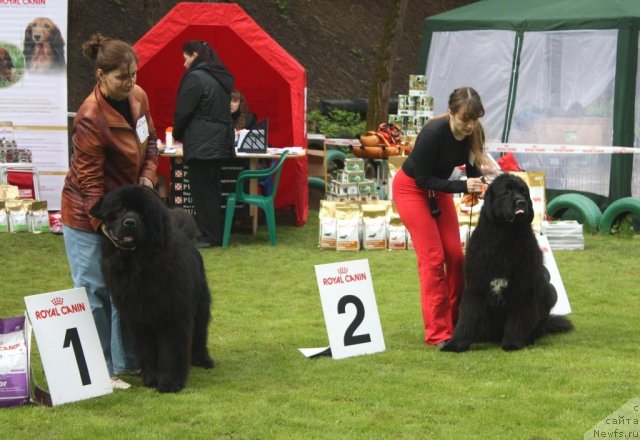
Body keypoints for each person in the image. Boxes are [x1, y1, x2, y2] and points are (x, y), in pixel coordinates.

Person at [61, 33, 158, 389]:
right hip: (88, 213)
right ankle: (100, 370)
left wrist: (147, 180)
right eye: (122, 76)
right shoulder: (90, 117)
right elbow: (89, 184)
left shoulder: (139, 98)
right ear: (101, 75)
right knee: (95, 291)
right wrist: (105, 224)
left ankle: (127, 362)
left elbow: (152, 144)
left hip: (127, 207)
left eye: (133, 73)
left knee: (128, 288)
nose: (130, 82)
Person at [392, 86, 489, 349]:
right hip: (412, 189)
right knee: (433, 260)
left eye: (474, 119)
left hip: (439, 190)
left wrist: (480, 183)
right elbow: (422, 179)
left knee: (456, 257)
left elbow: (471, 167)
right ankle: (437, 333)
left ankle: (458, 324)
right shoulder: (433, 134)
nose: (470, 125)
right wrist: (462, 187)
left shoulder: (472, 134)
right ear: (450, 113)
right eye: (464, 119)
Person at [173, 40, 234, 248]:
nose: (184, 64)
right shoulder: (219, 78)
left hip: (201, 142)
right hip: (219, 141)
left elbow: (183, 111)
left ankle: (210, 236)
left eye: (186, 58)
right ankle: (214, 232)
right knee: (212, 189)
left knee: (202, 191)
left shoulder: (195, 78)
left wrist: (178, 133)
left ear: (195, 54)